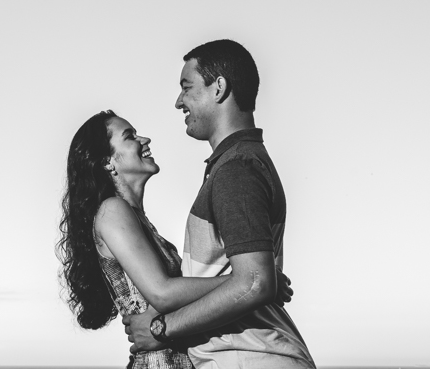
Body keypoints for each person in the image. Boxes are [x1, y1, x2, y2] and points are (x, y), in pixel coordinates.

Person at [123, 39, 315, 368]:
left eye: (187, 87)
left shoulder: (236, 169)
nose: (178, 102)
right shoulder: (237, 164)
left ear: (219, 88)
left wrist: (162, 328)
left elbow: (254, 282)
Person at [58, 109, 293, 369]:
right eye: (130, 136)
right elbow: (163, 293)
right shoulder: (112, 210)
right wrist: (252, 281)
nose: (144, 140)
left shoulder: (137, 219)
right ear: (106, 162)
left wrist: (254, 283)